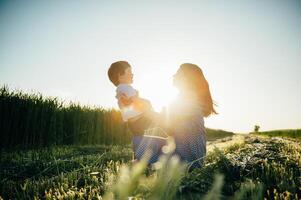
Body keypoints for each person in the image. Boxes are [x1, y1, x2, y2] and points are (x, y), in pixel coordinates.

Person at [108, 61, 166, 163]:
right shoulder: (125, 87)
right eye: (129, 71)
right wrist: (147, 105)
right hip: (139, 119)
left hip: (133, 122)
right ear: (120, 76)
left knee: (139, 138)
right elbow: (136, 101)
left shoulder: (120, 89)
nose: (132, 74)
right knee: (161, 121)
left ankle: (139, 158)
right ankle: (174, 135)